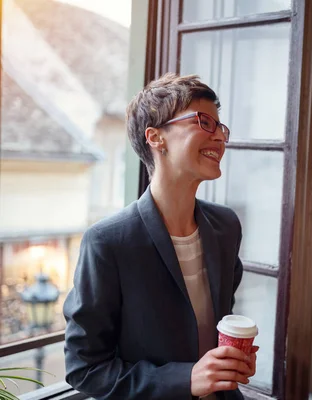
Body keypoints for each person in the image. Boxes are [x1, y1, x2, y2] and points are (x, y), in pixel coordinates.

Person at [63, 73, 257, 400]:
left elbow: (215, 327)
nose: (219, 138)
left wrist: (229, 361)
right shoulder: (109, 242)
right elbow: (84, 367)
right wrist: (186, 379)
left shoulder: (226, 227)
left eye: (220, 127)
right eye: (203, 122)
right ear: (155, 137)